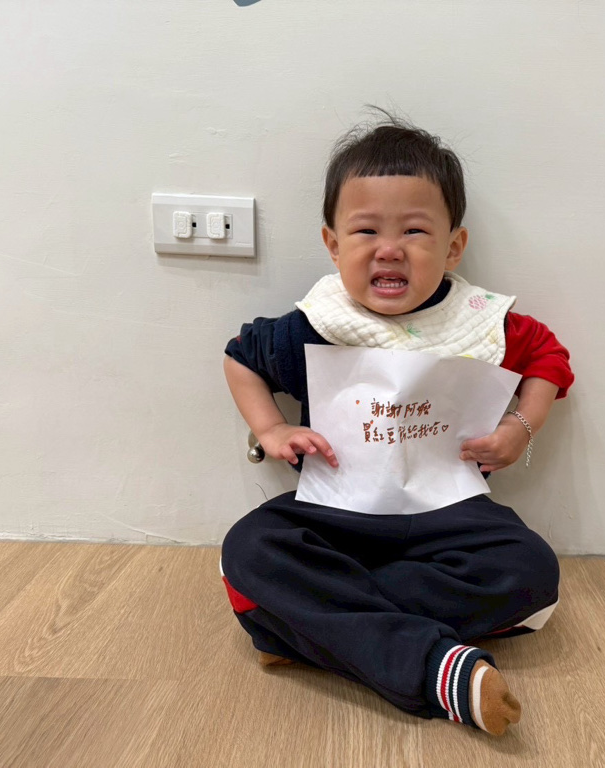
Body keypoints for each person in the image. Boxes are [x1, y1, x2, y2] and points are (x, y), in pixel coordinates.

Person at [220, 114, 574, 736]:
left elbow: (548, 357)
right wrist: (271, 430)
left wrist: (521, 425)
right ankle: (434, 667)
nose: (389, 248)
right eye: (366, 231)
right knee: (249, 548)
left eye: (414, 230)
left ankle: (302, 629)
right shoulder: (314, 325)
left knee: (533, 571)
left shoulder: (478, 322)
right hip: (336, 515)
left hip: (451, 517)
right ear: (333, 244)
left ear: (453, 246)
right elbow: (240, 358)